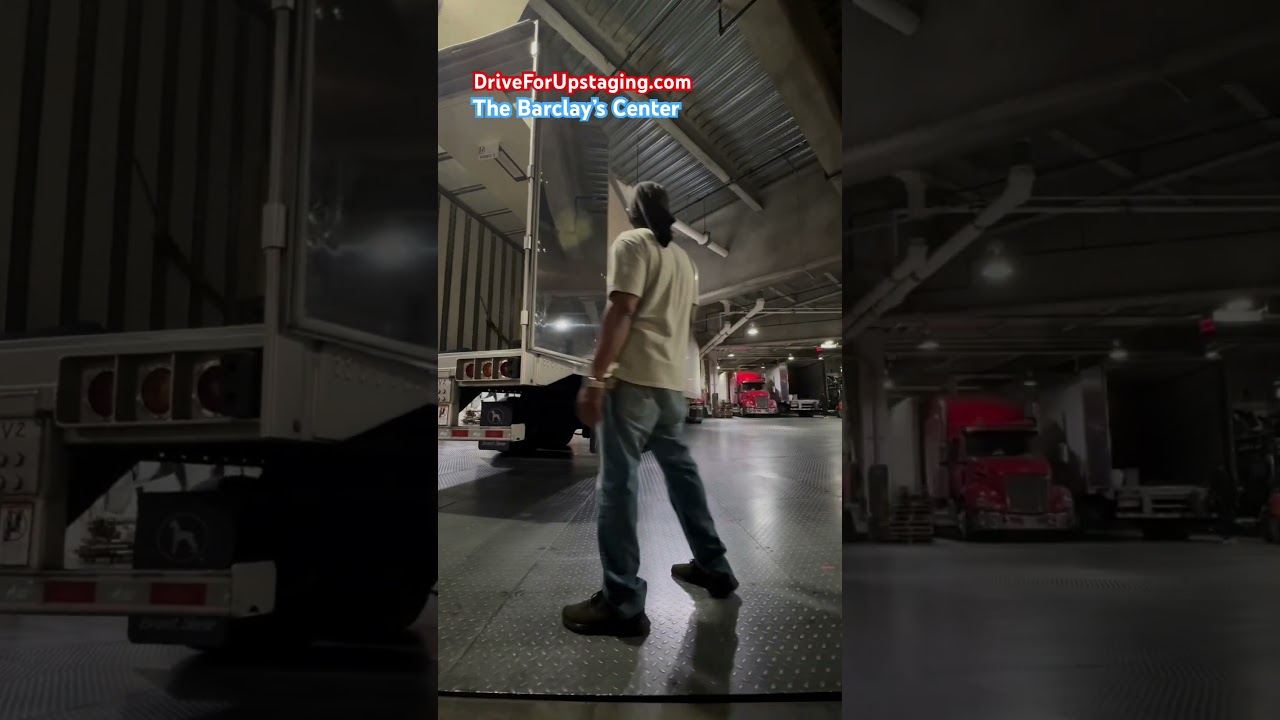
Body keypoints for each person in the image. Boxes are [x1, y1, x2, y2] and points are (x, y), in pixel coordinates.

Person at [561, 181, 739, 637]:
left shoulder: (633, 243)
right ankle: (713, 567)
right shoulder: (685, 260)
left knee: (618, 487)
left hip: (633, 384)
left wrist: (596, 379)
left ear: (634, 209)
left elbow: (622, 311)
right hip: (670, 388)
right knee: (684, 477)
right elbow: (682, 325)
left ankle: (621, 601)